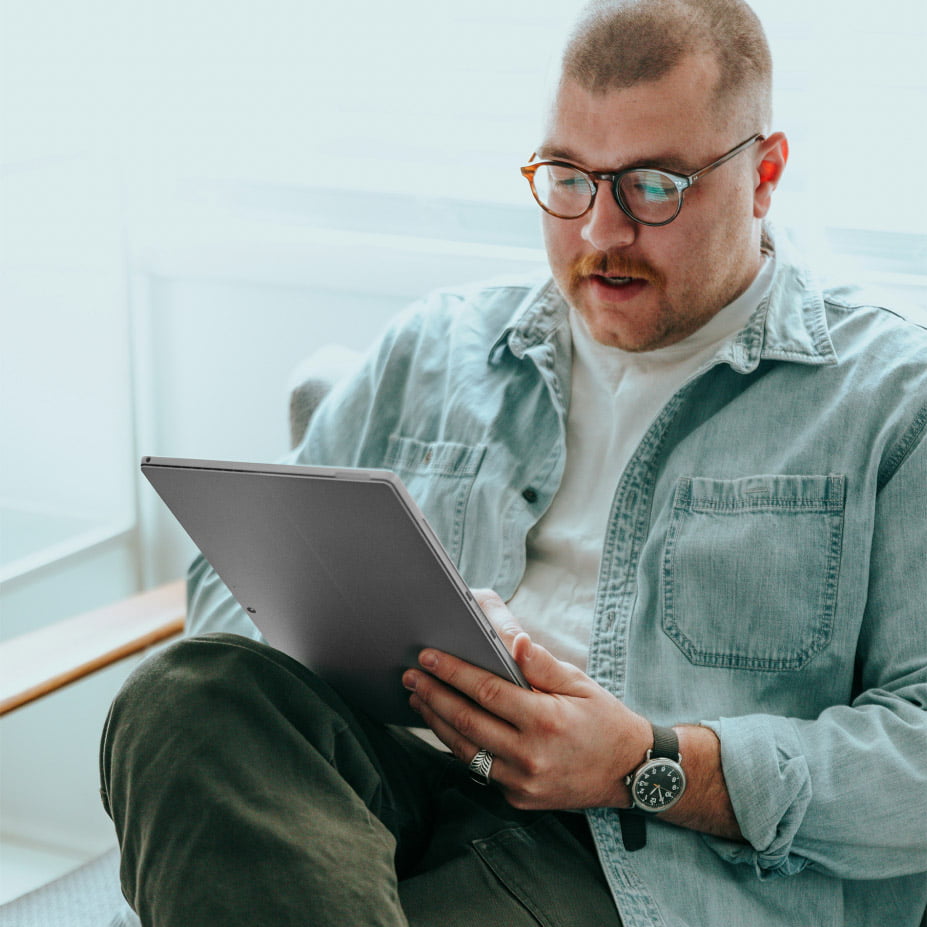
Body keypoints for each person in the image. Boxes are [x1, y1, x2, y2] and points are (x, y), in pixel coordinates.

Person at [99, 0, 927, 924]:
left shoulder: (890, 403)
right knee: (185, 692)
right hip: (384, 788)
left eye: (652, 186)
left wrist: (640, 762)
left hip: (642, 863)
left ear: (763, 174)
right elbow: (233, 574)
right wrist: (360, 650)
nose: (600, 232)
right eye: (568, 178)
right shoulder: (435, 347)